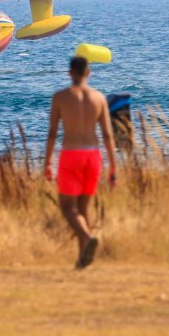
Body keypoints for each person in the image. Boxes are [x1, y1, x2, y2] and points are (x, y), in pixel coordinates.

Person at [44, 56, 116, 269]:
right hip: (93, 155)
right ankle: (82, 260)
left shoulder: (60, 97)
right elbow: (107, 135)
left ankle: (87, 236)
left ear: (70, 73)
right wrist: (113, 165)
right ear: (88, 72)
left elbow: (52, 133)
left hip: (71, 154)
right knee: (84, 207)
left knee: (68, 207)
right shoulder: (99, 98)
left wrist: (47, 161)